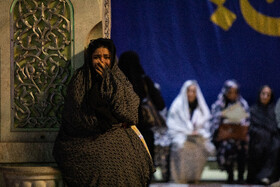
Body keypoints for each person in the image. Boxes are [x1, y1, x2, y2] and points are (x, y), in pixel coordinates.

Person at [52, 38, 154, 187]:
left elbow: (130, 112)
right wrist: (109, 122)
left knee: (129, 161)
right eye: (96, 57)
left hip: (118, 135)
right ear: (89, 59)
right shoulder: (80, 79)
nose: (102, 62)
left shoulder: (119, 78)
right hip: (84, 138)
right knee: (103, 164)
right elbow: (78, 117)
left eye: (106, 57)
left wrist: (108, 81)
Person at [118, 51, 166, 162]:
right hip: (144, 132)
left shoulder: (117, 83)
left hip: (123, 132)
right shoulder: (145, 81)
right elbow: (160, 104)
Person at [167, 80, 215, 183]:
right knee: (181, 146)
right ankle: (180, 179)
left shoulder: (201, 107)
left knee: (201, 147)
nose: (191, 94)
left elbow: (206, 124)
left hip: (197, 137)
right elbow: (172, 124)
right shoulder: (177, 105)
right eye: (189, 91)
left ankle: (194, 178)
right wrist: (186, 132)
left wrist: (198, 131)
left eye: (194, 91)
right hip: (180, 136)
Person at [209, 79, 250, 184]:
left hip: (239, 136)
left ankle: (241, 175)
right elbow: (213, 121)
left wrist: (240, 122)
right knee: (226, 146)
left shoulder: (242, 103)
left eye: (235, 92)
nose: (233, 95)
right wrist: (222, 118)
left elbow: (247, 119)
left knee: (243, 146)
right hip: (225, 136)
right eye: (230, 92)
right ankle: (230, 174)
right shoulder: (219, 104)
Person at [247, 85, 280, 185]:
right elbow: (250, 127)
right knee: (259, 145)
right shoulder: (253, 110)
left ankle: (268, 176)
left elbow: (275, 126)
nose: (265, 97)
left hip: (272, 137)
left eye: (268, 95)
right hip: (257, 137)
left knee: (276, 146)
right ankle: (257, 177)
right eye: (263, 94)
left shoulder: (274, 110)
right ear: (259, 95)